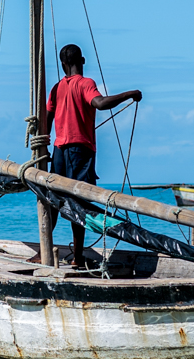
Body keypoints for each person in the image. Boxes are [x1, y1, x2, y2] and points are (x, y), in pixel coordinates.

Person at [45, 43, 142, 268]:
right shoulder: (85, 83)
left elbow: (47, 118)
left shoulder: (56, 88)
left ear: (62, 65)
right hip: (79, 152)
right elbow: (99, 103)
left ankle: (45, 250)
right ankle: (78, 257)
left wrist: (45, 144)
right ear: (83, 61)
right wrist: (130, 94)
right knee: (78, 201)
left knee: (54, 200)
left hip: (59, 151)